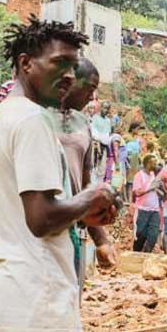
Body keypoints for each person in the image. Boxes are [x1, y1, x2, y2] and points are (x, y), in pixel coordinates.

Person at [0, 18, 116, 332]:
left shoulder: (0, 119)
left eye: (73, 67)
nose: (68, 75)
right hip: (36, 299)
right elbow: (41, 217)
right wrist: (93, 196)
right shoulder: (33, 120)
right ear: (25, 64)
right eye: (59, 64)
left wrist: (80, 211)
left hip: (5, 297)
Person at [53, 58, 116, 278]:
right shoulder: (35, 118)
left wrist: (101, 240)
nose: (92, 97)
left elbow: (86, 184)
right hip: (38, 227)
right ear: (70, 81)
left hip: (72, 229)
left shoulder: (83, 124)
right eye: (89, 88)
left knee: (69, 302)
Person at [132, 154, 162, 253]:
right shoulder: (139, 175)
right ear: (148, 164)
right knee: (140, 235)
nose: (156, 165)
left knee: (153, 236)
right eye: (154, 163)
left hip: (154, 210)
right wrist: (150, 188)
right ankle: (136, 255)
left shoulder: (153, 175)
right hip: (142, 210)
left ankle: (146, 255)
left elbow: (155, 189)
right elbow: (137, 192)